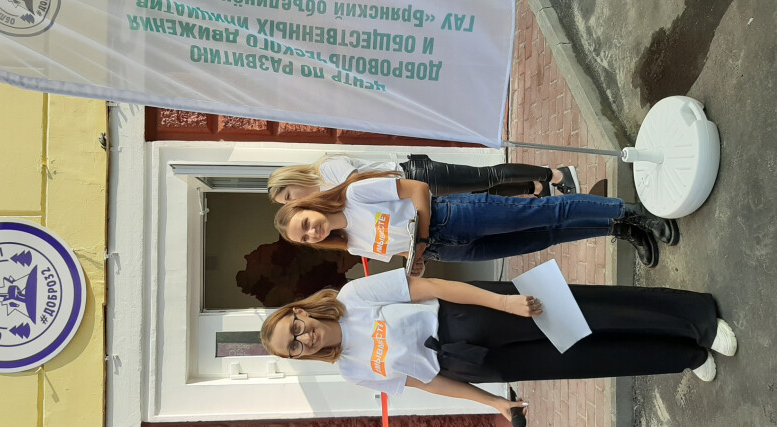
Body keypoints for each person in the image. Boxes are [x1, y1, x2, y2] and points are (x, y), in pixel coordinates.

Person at [260, 269, 737, 422]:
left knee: (592, 314)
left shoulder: (353, 297)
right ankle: (686, 355)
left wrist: (504, 302)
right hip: (476, 363)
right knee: (586, 358)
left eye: (294, 329)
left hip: (473, 312)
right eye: (294, 348)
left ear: (300, 312)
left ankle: (697, 321)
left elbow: (433, 287)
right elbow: (429, 383)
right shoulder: (351, 370)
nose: (303, 339)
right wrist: (495, 404)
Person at [274, 171, 679, 270]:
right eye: (305, 238)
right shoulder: (351, 244)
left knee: (545, 211)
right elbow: (402, 249)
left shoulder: (355, 194)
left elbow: (417, 190)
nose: (312, 232)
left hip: (454, 217)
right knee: (545, 237)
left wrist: (421, 238)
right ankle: (618, 229)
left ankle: (633, 213)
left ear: (309, 206)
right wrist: (416, 262)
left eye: (305, 223)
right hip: (450, 250)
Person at [267, 154, 581, 203]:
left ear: (292, 180)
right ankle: (535, 187)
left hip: (416, 175)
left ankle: (555, 175)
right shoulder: (325, 188)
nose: (294, 202)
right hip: (415, 189)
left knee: (486, 177)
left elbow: (360, 185)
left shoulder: (326, 170)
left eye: (289, 196)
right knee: (484, 190)